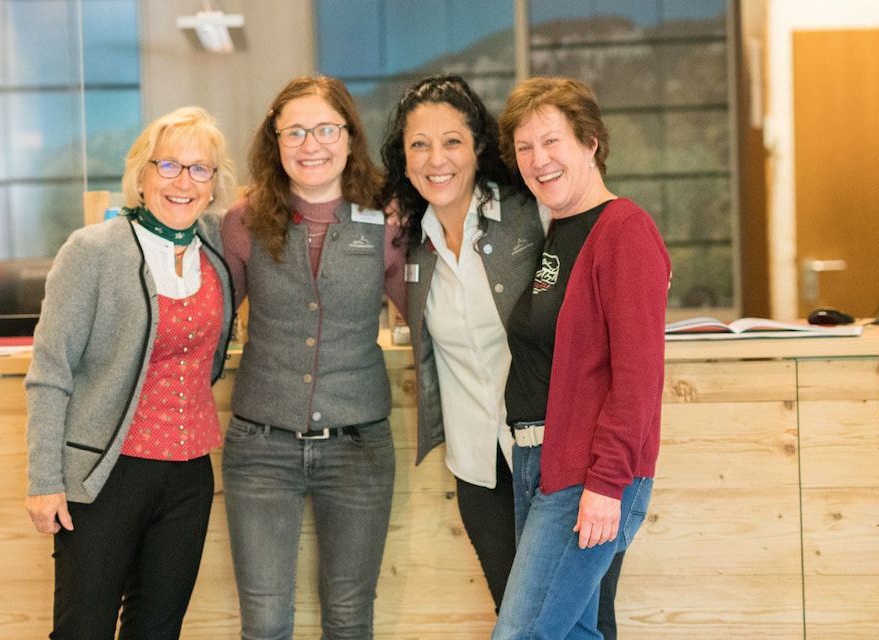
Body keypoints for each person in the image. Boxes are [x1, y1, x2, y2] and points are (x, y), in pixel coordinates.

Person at [24, 106, 237, 638]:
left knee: (157, 629)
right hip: (105, 472)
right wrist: (44, 480)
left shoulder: (215, 250)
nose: (183, 182)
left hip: (188, 474)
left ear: (214, 184)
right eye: (167, 166)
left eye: (199, 169)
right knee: (84, 630)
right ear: (141, 175)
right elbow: (51, 371)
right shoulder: (93, 251)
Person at [220, 76, 406, 640]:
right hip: (259, 449)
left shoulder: (388, 220)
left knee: (350, 621)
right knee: (266, 624)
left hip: (359, 448)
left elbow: (430, 316)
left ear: (349, 137)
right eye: (295, 131)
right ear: (274, 142)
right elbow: (210, 318)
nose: (311, 144)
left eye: (326, 129)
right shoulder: (243, 220)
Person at [492, 77, 671, 640]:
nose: (537, 160)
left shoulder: (625, 231)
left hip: (586, 471)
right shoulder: (562, 230)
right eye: (524, 148)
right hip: (536, 464)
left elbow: (639, 378)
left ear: (590, 142)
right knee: (570, 634)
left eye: (552, 142)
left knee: (522, 634)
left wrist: (606, 484)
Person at [380, 74, 545, 612]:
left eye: (451, 141)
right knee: (514, 615)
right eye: (419, 145)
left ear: (478, 147)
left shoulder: (530, 213)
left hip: (552, 455)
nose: (436, 159)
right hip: (479, 465)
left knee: (572, 616)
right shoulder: (410, 244)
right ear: (404, 161)